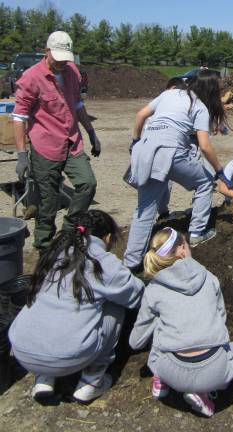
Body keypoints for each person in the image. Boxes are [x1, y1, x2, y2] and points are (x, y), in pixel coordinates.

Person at [8, 210, 144, 403]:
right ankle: (92, 381)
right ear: (107, 237)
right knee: (115, 307)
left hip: (22, 351)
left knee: (48, 302)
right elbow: (136, 296)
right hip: (67, 357)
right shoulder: (103, 263)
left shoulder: (55, 252)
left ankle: (44, 380)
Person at [129, 227, 233, 417]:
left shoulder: (153, 289)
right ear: (182, 249)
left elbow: (135, 342)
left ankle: (161, 380)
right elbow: (221, 320)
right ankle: (203, 391)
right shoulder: (210, 278)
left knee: (161, 324)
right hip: (214, 369)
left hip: (172, 371)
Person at [124, 71, 233, 272]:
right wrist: (219, 171)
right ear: (209, 90)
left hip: (146, 151)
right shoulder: (199, 107)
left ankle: (131, 263)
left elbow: (140, 115)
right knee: (205, 182)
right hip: (172, 153)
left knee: (144, 210)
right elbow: (205, 146)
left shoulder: (169, 94)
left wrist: (135, 141)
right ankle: (197, 233)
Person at [12, 31, 100, 251]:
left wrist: (91, 132)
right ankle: (44, 245)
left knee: (87, 183)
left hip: (72, 141)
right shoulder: (31, 78)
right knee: (49, 201)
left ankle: (69, 232)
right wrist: (22, 155)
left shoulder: (72, 72)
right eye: (58, 57)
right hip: (46, 146)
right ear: (47, 51)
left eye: (65, 58)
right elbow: (19, 117)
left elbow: (78, 104)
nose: (62, 63)